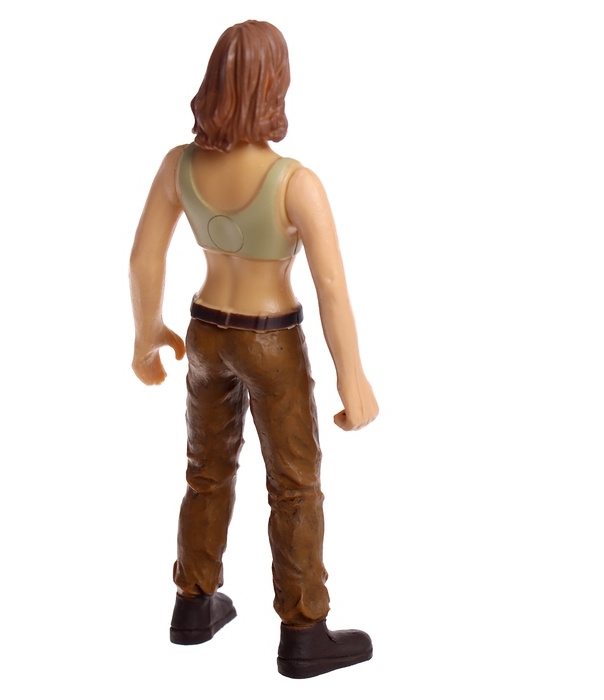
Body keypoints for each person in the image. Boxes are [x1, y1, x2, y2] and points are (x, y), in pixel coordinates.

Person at [129, 20, 379, 679]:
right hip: (271, 339)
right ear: (276, 85)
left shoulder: (179, 166)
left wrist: (146, 332)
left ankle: (193, 603)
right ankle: (304, 630)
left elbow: (144, 256)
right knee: (294, 484)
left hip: (206, 333)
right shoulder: (296, 183)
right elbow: (331, 287)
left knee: (205, 470)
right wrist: (352, 378)